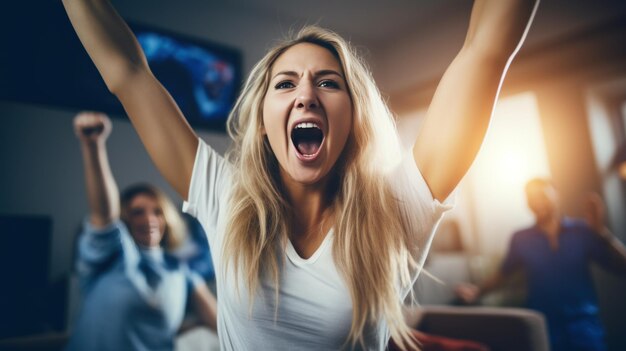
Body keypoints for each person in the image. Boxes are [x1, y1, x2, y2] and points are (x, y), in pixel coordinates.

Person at [61, 0, 539, 349]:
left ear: (352, 119)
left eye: (327, 83)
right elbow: (127, 72)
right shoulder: (224, 197)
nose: (305, 95)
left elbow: (485, 51)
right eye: (285, 84)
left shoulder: (394, 211)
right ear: (266, 124)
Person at [65, 112, 218, 351]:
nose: (149, 219)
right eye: (137, 212)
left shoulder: (181, 273)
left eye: (157, 211)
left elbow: (221, 323)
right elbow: (104, 215)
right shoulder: (113, 255)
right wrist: (93, 147)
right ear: (125, 217)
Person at [455, 178, 626, 351]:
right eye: (530, 198)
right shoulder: (520, 238)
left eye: (542, 195)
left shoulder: (582, 230)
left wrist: (601, 232)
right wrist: (477, 291)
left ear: (556, 196)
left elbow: (622, 266)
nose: (536, 202)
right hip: (544, 327)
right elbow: (502, 275)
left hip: (584, 326)